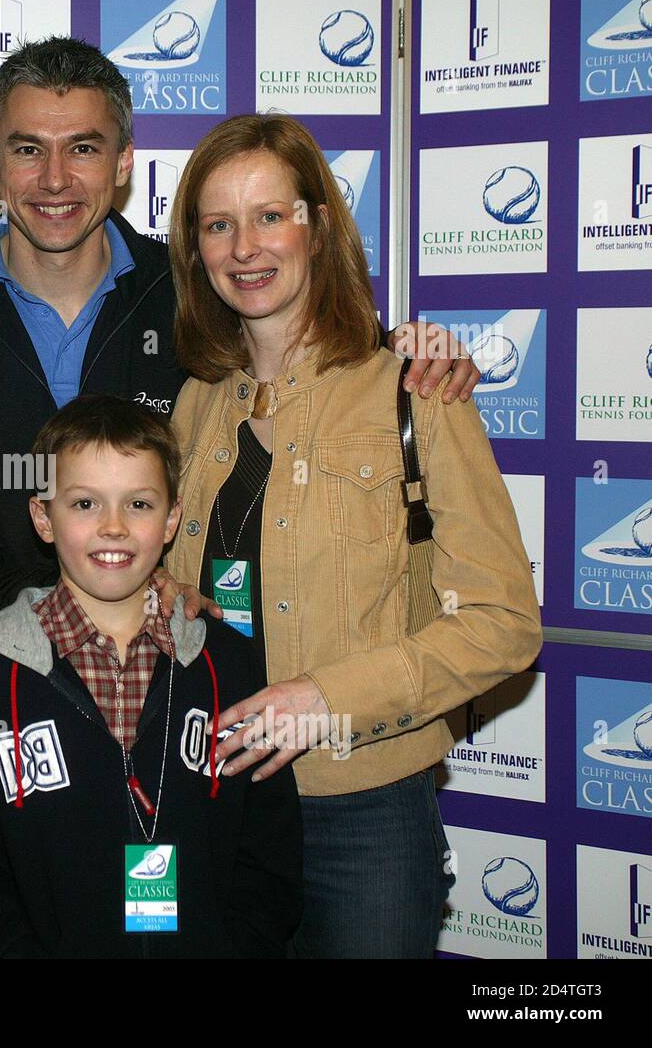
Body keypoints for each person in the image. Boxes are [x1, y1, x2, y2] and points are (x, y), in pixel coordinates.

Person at [0, 36, 481, 598]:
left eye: (84, 149)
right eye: (28, 149)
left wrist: (408, 347)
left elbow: (315, 351)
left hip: (167, 680)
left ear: (124, 163)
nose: (56, 179)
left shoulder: (200, 289)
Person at [163, 114, 542, 958]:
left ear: (319, 225)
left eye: (271, 215)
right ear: (195, 249)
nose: (245, 246)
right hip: (212, 797)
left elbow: (504, 622)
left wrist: (327, 699)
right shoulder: (194, 405)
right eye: (218, 224)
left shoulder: (417, 392)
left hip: (363, 814)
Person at [0, 395, 302, 958]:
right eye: (84, 503)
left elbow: (268, 855)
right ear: (42, 517)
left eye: (138, 503)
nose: (113, 527)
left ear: (172, 520)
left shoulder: (227, 664)